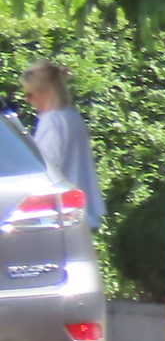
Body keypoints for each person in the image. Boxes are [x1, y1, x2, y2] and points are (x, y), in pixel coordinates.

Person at [18, 62, 103, 231]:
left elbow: (44, 168)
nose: (27, 101)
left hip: (59, 215)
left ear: (45, 92)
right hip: (83, 212)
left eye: (30, 94)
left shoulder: (51, 121)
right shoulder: (73, 117)